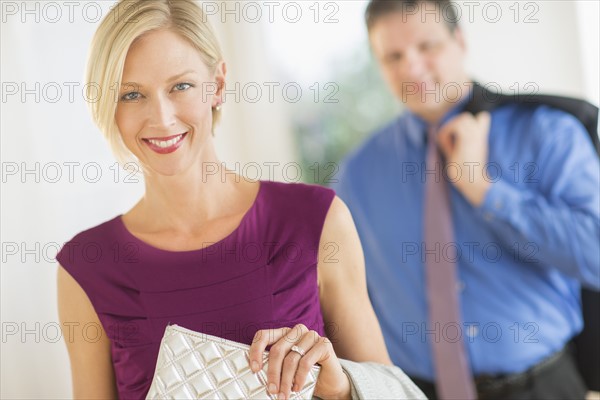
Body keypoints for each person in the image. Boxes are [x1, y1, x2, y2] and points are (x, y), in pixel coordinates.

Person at [55, 0, 426, 399]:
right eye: (131, 94)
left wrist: (338, 385)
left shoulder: (315, 221)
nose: (160, 118)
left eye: (180, 86)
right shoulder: (87, 267)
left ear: (217, 84)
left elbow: (398, 392)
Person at [332, 0, 600, 399]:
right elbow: (344, 293)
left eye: (427, 46)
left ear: (460, 40)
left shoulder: (549, 133)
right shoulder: (357, 174)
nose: (411, 67)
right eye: (393, 56)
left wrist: (485, 191)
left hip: (542, 387)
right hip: (416, 391)